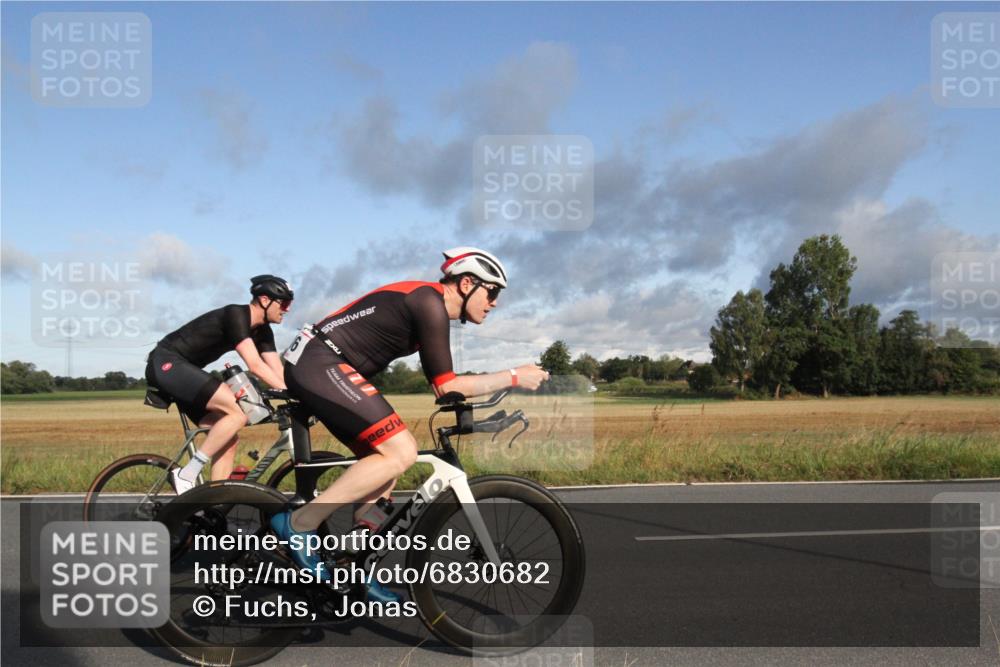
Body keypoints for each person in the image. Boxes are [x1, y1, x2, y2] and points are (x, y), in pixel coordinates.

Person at [271, 248, 549, 600]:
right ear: (467, 284)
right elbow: (448, 385)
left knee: (386, 468)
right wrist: (513, 376)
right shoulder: (428, 303)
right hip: (319, 362)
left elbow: (443, 386)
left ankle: (356, 567)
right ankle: (299, 524)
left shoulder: (429, 306)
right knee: (400, 451)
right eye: (492, 292)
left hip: (322, 363)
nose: (494, 303)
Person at [145, 275, 293, 492]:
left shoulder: (263, 331)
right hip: (167, 362)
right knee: (238, 413)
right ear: (264, 300)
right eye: (285, 303)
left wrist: (298, 393)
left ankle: (214, 506)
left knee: (227, 440)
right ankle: (186, 473)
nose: (287, 309)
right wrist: (292, 394)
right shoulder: (236, 315)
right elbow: (255, 365)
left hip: (186, 370)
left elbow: (277, 370)